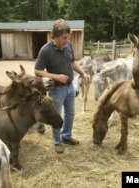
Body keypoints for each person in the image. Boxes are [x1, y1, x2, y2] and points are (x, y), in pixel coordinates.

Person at [34, 19, 91, 154]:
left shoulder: (68, 45)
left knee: (70, 113)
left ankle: (66, 136)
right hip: (56, 89)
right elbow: (37, 71)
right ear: (55, 36)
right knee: (56, 115)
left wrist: (83, 73)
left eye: (68, 37)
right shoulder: (45, 51)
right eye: (64, 37)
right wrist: (56, 76)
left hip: (70, 87)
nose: (67, 40)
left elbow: (72, 62)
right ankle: (57, 141)